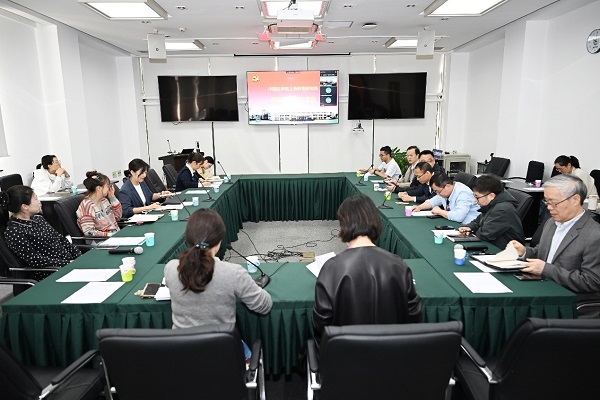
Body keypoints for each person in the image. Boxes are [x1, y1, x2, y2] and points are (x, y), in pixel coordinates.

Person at [164, 208, 272, 357]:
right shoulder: (233, 272)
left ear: (187, 238)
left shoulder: (171, 268)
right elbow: (264, 306)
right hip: (223, 354)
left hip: (181, 354)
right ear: (219, 240)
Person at [312, 194, 422, 340]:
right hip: (393, 349)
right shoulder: (398, 264)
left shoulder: (331, 267)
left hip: (345, 350)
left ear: (343, 224)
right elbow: (414, 314)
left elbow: (322, 322)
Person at [507, 175, 600, 310]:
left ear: (575, 199)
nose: (549, 208)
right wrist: (524, 252)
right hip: (541, 289)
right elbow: (544, 253)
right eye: (546, 202)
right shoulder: (552, 222)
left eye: (554, 202)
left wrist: (546, 269)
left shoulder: (594, 235)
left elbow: (591, 282)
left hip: (570, 304)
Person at [0, 185, 80, 275]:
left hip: (68, 263)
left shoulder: (38, 219)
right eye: (36, 199)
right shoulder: (14, 232)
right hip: (52, 271)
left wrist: (78, 256)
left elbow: (61, 239)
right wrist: (67, 263)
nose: (39, 202)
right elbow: (35, 260)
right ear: (25, 206)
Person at [458, 174, 524, 249]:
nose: (475, 201)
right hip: (495, 244)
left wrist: (471, 232)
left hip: (505, 250)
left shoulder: (502, 210)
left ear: (491, 196)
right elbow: (478, 221)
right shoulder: (492, 203)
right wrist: (469, 227)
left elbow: (484, 234)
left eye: (477, 197)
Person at [412, 173, 480, 224]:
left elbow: (459, 217)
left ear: (447, 186)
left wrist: (439, 211)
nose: (438, 194)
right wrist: (419, 207)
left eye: (438, 191)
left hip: (468, 226)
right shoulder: (445, 191)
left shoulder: (463, 193)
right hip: (455, 223)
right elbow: (433, 201)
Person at [76, 171, 122, 237]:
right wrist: (109, 235)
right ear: (99, 188)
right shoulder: (87, 206)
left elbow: (118, 217)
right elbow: (89, 232)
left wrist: (112, 198)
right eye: (107, 186)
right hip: (102, 240)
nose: (109, 188)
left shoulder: (104, 201)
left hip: (115, 235)